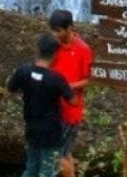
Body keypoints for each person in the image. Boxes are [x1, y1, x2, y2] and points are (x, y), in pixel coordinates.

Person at [6, 33, 74, 177]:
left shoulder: (23, 71)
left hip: (32, 128)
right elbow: (72, 101)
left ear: (37, 50)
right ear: (55, 54)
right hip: (52, 133)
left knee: (31, 169)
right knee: (47, 172)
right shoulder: (56, 79)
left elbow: (8, 90)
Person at [49, 9, 92, 177]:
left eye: (58, 30)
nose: (55, 34)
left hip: (71, 110)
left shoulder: (83, 49)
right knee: (64, 152)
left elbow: (90, 79)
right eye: (53, 30)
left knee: (58, 153)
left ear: (69, 28)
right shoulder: (54, 46)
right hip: (53, 108)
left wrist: (69, 86)